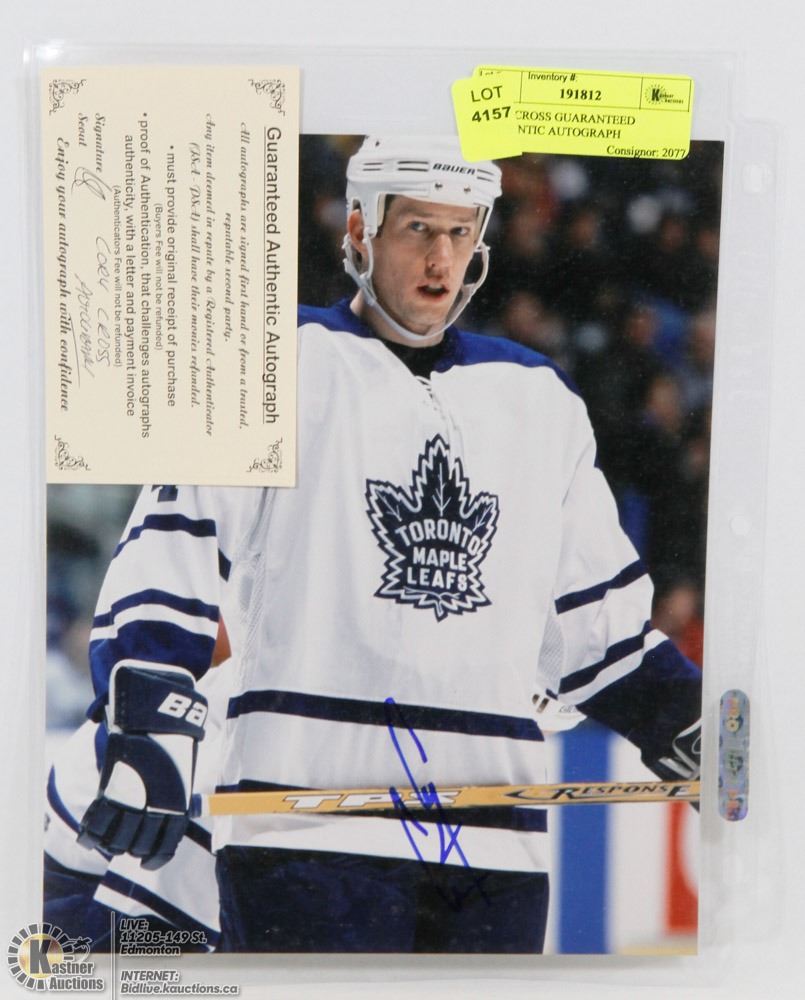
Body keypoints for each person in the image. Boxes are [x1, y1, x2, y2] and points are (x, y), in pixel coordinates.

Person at [74, 136, 702, 954]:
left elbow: (593, 627)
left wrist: (684, 720)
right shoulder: (274, 362)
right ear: (359, 232)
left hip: (492, 842)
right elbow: (173, 544)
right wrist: (151, 717)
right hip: (302, 826)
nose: (441, 258)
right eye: (416, 229)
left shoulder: (538, 399)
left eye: (460, 231)